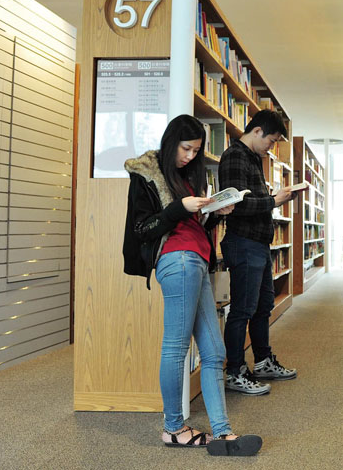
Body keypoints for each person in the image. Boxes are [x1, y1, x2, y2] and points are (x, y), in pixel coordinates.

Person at [122, 114, 261, 457]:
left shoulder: (186, 178)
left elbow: (194, 223)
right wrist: (178, 208)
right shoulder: (146, 174)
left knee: (215, 353)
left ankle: (223, 433)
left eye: (196, 152)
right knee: (176, 347)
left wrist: (216, 212)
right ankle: (173, 428)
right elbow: (143, 228)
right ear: (172, 142)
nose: (189, 156)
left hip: (198, 259)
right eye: (186, 148)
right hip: (177, 259)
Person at [218, 109, 297, 395]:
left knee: (263, 307)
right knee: (242, 310)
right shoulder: (235, 156)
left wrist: (273, 197)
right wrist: (275, 200)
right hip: (243, 243)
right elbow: (236, 205)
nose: (272, 147)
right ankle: (235, 371)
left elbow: (253, 199)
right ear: (257, 131)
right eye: (272, 140)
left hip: (259, 244)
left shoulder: (252, 158)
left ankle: (263, 361)